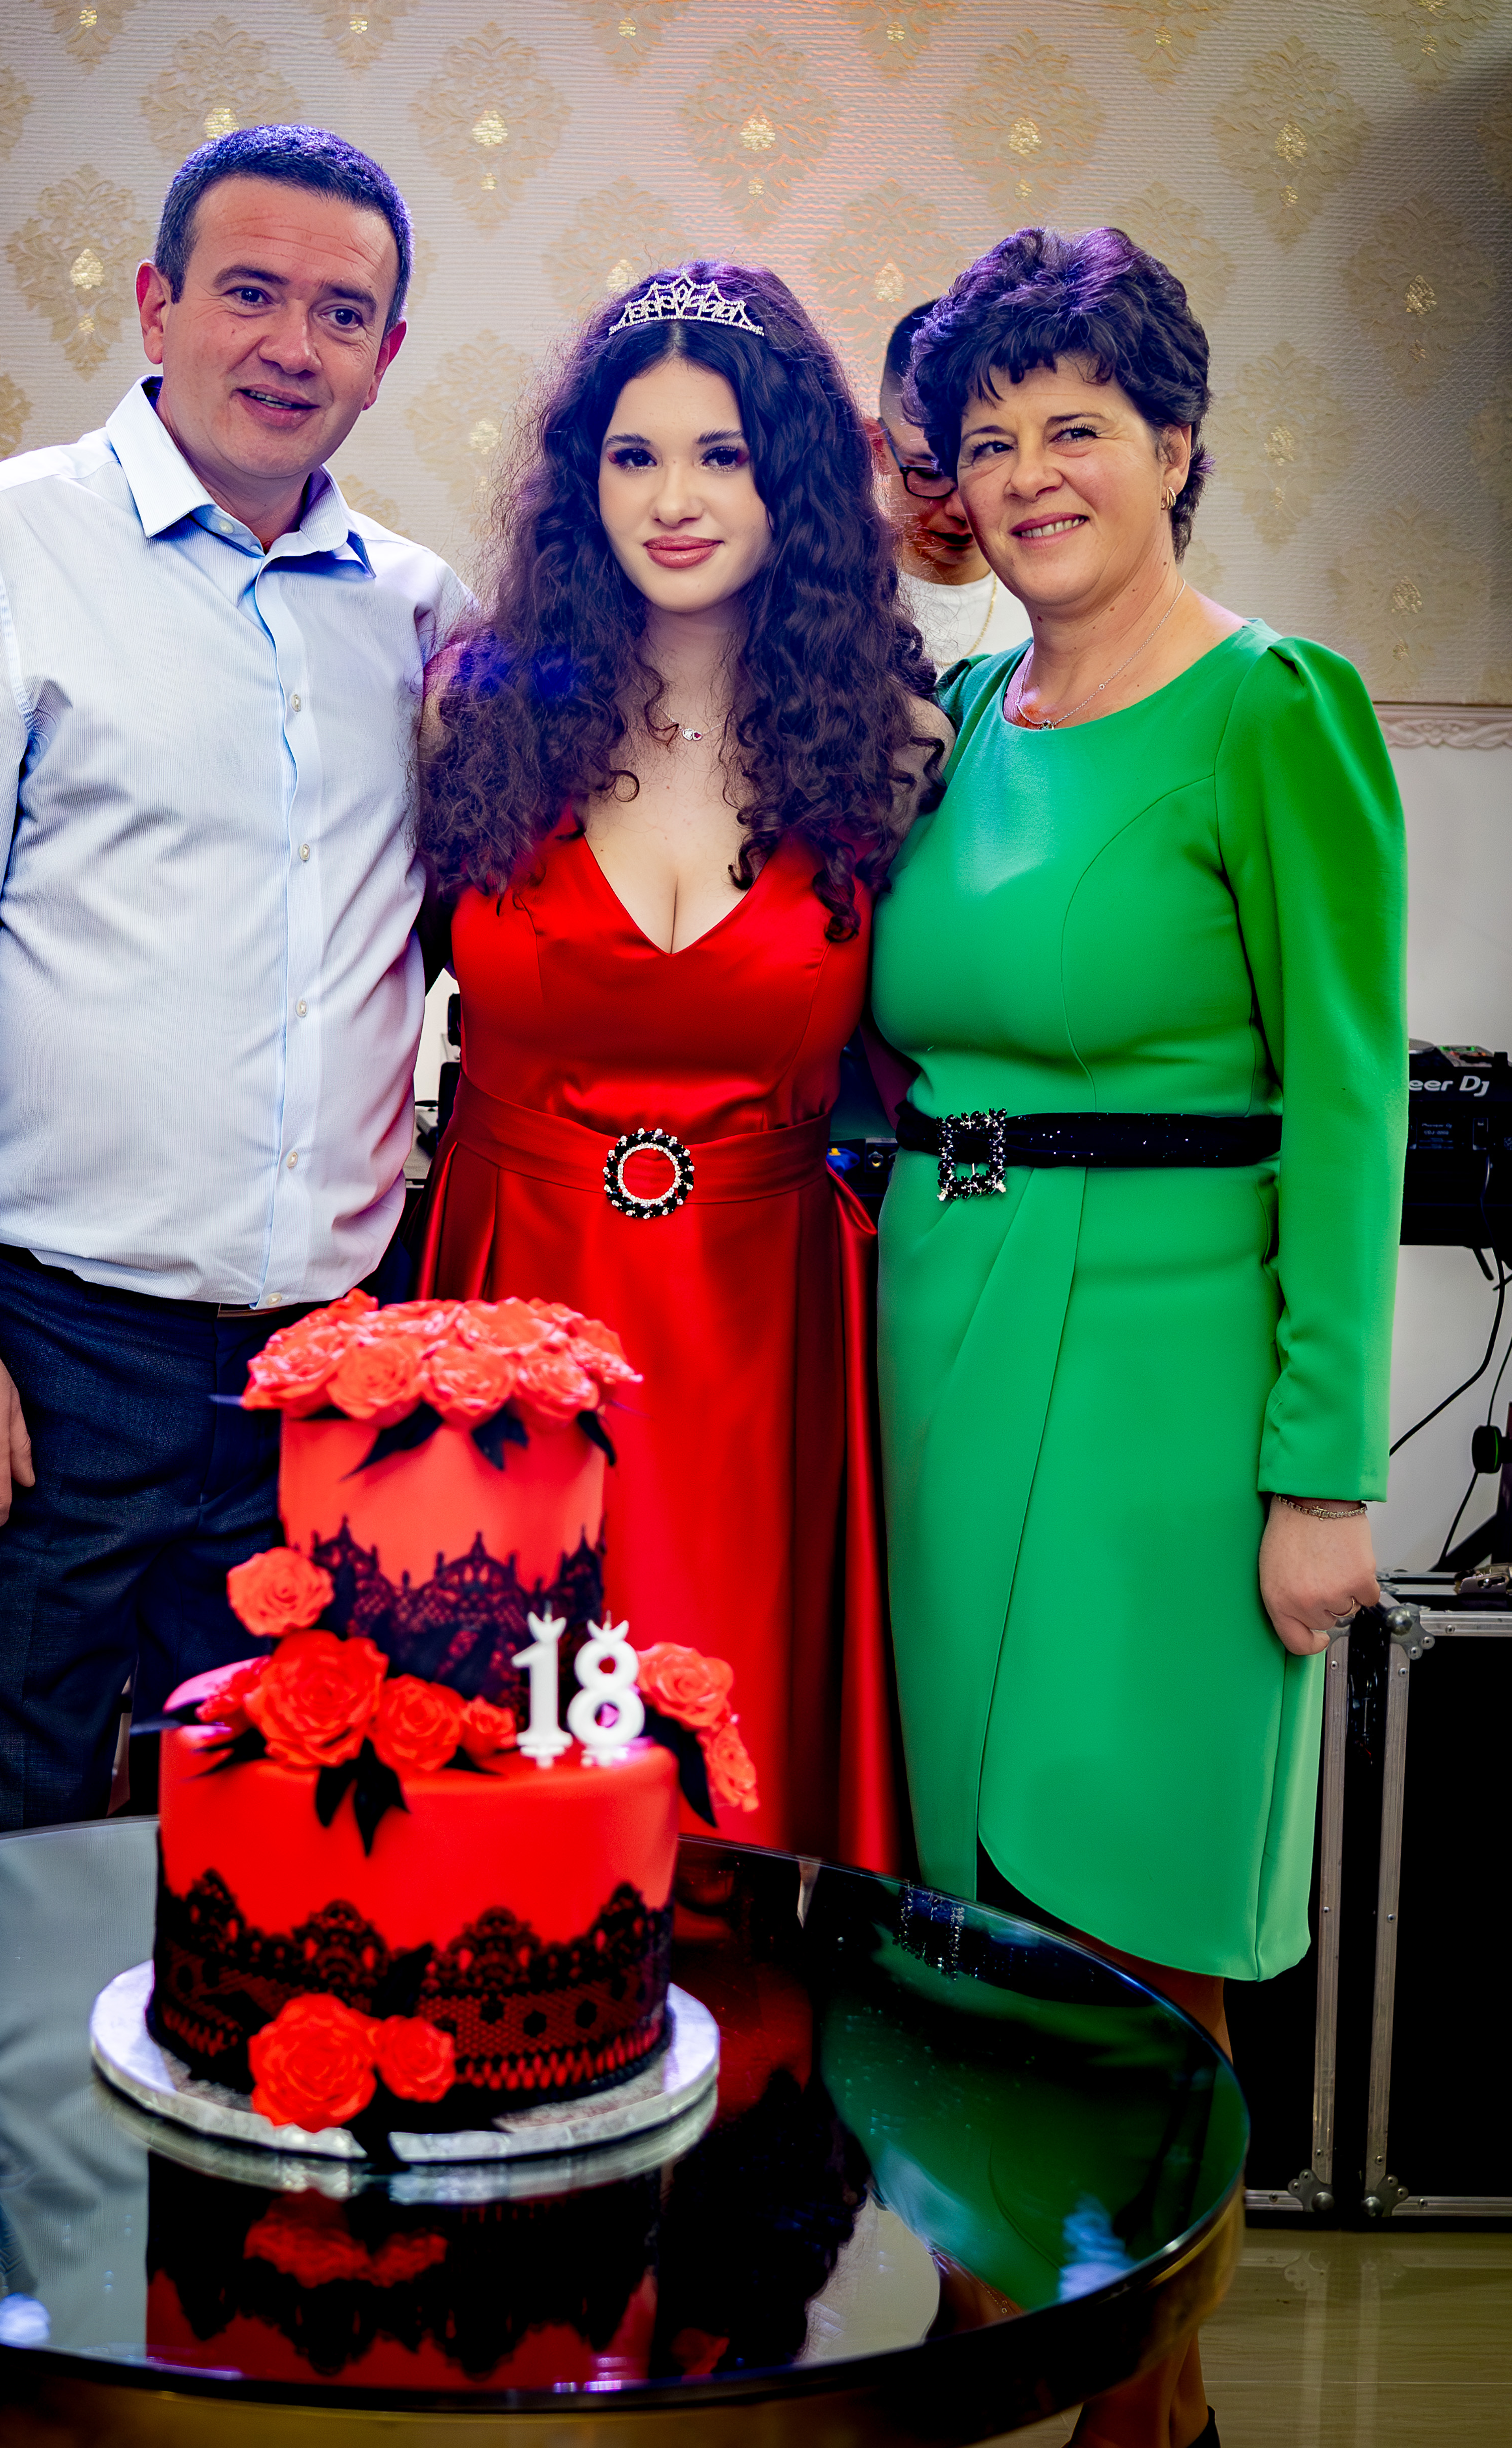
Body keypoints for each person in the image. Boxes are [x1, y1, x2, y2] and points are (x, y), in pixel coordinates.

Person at [873, 227, 1406, 2448]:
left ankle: (1140, 2404)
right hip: (939, 1337)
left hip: (1168, 1389)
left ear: (1174, 443)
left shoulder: (1274, 706)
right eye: (986, 437)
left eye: (1073, 425)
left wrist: (1320, 1466)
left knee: (1134, 1898)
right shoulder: (960, 723)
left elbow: (1350, 1100)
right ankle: (982, 2322)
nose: (1026, 473)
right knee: (958, 1903)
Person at [0, 126, 466, 1845]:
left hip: (325, 1374)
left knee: (276, 1858)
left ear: (387, 354)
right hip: (52, 1350)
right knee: (9, 1858)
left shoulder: (418, 614)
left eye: (341, 314)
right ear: (157, 308)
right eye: (250, 293)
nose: (292, 346)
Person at [414, 263, 946, 1867]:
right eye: (633, 454)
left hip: (762, 1338)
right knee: (506, 1783)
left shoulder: (894, 745)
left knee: (739, 1779)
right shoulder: (474, 713)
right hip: (508, 1308)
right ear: (580, 480)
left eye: (723, 455)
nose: (674, 498)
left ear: (797, 480)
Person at [868, 299, 1032, 672]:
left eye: (992, 458)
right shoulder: (826, 592)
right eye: (929, 473)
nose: (961, 509)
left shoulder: (1055, 594)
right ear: (877, 448)